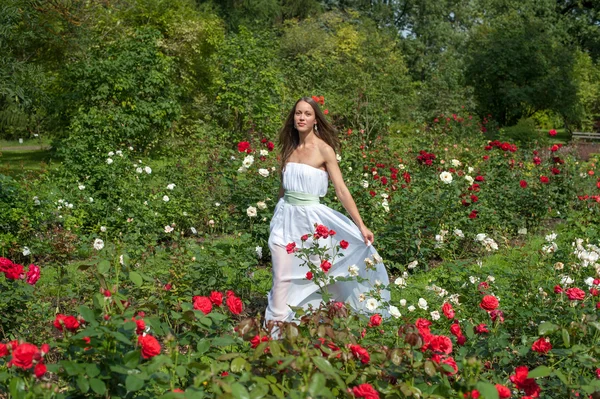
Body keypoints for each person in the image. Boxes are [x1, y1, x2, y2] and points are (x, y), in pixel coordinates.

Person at [265, 96, 390, 332]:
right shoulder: (289, 148)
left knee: (316, 277)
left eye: (307, 114)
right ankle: (275, 333)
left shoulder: (324, 150)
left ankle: (323, 324)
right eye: (298, 113)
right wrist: (276, 216)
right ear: (293, 118)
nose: (301, 117)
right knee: (281, 277)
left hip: (311, 223)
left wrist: (361, 225)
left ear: (315, 120)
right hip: (284, 219)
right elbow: (283, 188)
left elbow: (341, 190)